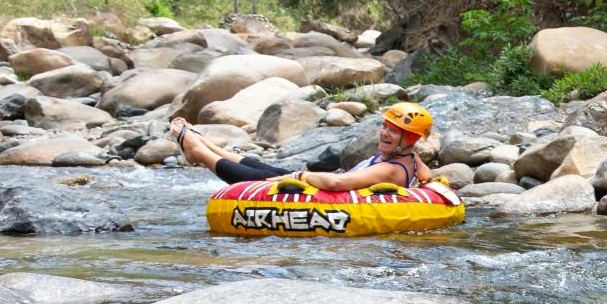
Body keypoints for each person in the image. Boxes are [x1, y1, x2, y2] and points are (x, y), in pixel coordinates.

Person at [169, 104, 436, 191]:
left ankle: (200, 153)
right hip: (324, 186)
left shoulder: (390, 171)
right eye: (386, 126)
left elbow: (335, 184)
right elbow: (429, 179)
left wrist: (298, 176)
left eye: (394, 131)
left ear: (409, 140)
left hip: (327, 192)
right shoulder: (412, 159)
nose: (385, 133)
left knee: (258, 179)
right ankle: (206, 144)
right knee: (262, 166)